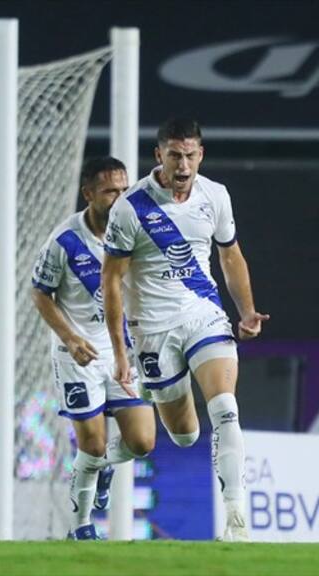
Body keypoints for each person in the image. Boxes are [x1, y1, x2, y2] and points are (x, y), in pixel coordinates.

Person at [102, 118, 269, 542]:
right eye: (175, 155)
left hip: (203, 315)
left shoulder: (216, 196)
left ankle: (237, 517)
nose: (183, 164)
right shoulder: (130, 208)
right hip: (153, 330)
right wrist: (122, 352)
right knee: (184, 435)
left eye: (191, 155)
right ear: (159, 155)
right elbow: (111, 281)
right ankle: (104, 458)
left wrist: (246, 311)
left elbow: (230, 256)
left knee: (226, 409)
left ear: (201, 155)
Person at [31, 156, 155, 541]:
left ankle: (101, 466)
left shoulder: (136, 230)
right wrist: (69, 336)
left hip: (123, 351)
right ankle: (81, 526)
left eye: (123, 190)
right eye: (109, 192)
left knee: (142, 442)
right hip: (78, 355)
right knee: (92, 442)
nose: (119, 198)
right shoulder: (64, 241)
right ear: (88, 194)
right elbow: (40, 293)